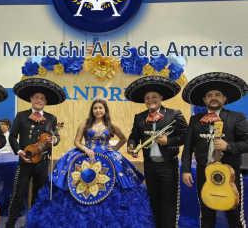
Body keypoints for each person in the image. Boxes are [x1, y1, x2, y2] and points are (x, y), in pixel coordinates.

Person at [25, 97, 155, 228]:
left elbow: (123, 138)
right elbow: (76, 141)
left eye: (100, 108)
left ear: (105, 109)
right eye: (95, 108)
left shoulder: (111, 124)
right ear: (92, 110)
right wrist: (85, 148)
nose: (98, 110)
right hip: (85, 156)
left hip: (107, 157)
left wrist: (114, 149)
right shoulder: (85, 123)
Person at [181, 72, 248, 228]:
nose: (213, 97)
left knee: (234, 213)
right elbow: (188, 147)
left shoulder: (236, 117)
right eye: (209, 95)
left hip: (230, 173)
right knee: (206, 213)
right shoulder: (195, 120)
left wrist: (229, 146)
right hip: (204, 172)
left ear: (224, 99)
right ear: (204, 100)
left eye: (218, 94)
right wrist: (185, 170)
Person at [125, 76, 188, 228]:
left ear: (161, 97)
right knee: (154, 200)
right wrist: (131, 146)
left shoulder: (174, 114)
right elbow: (133, 137)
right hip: (150, 165)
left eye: (154, 97)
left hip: (168, 165)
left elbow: (186, 136)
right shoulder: (140, 117)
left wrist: (169, 142)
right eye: (147, 98)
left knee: (169, 201)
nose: (150, 100)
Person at [5, 78, 66, 228]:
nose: (39, 100)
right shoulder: (21, 115)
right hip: (25, 161)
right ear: (31, 99)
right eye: (36, 97)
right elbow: (12, 137)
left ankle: (35, 223)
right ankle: (10, 224)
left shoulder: (51, 118)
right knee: (18, 195)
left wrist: (55, 140)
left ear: (45, 102)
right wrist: (19, 151)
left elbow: (55, 136)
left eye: (42, 98)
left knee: (39, 195)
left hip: (43, 163)